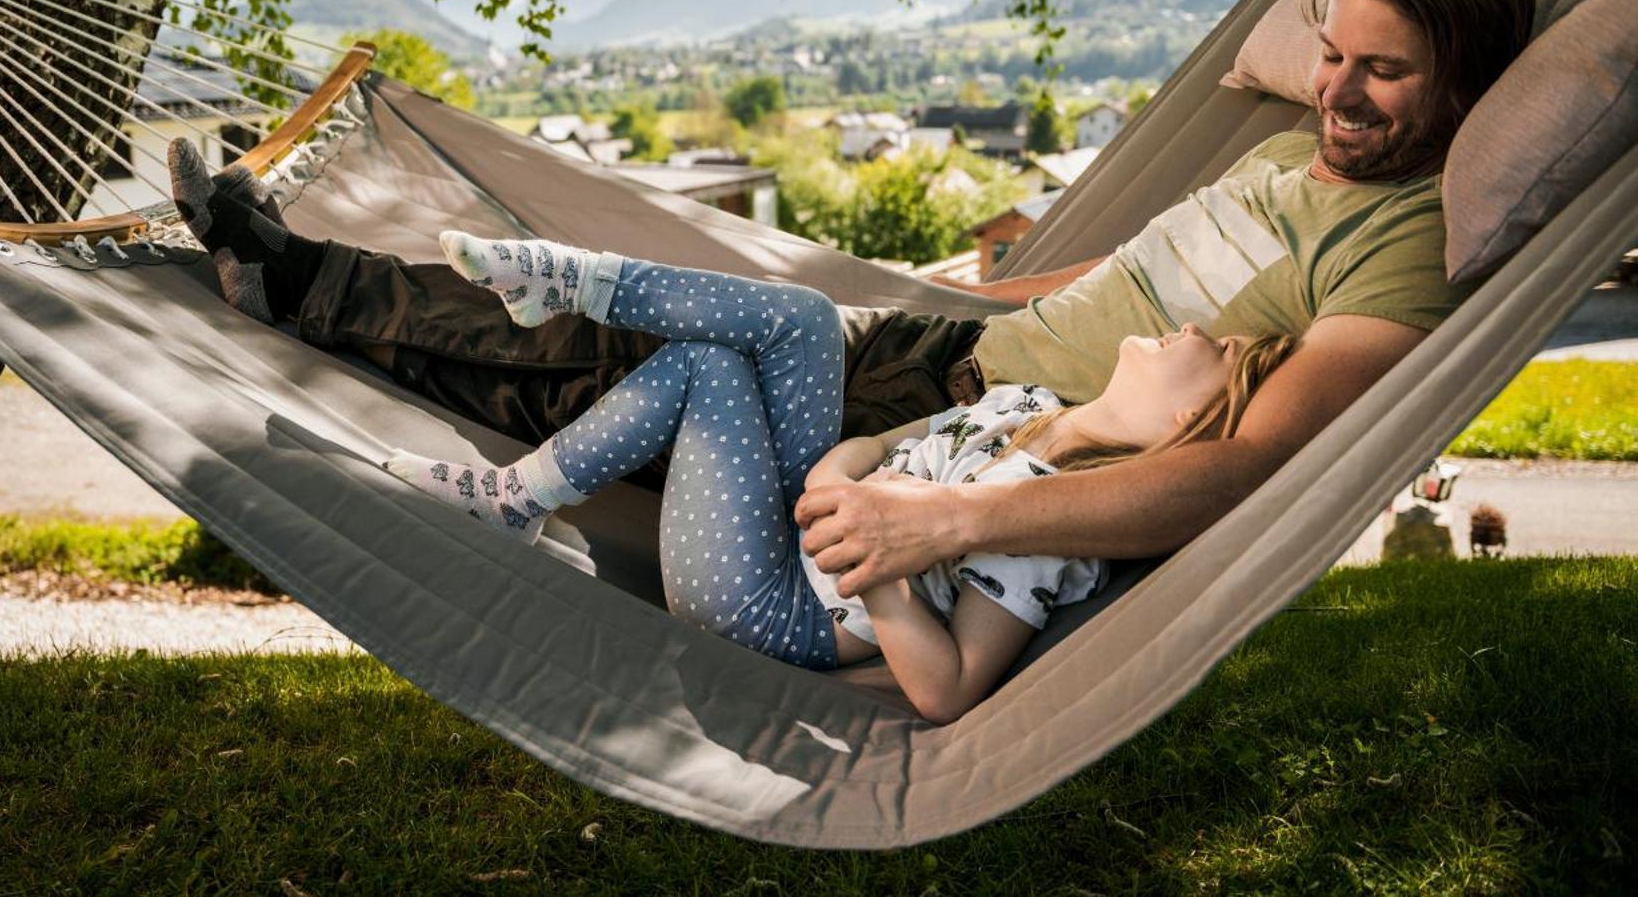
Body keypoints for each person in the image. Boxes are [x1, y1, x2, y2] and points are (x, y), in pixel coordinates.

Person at [166, 0, 1538, 596]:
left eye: (1386, 75)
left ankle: (295, 282)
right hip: (940, 347)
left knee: (609, 363)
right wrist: (954, 291)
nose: (1340, 94)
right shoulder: (1286, 150)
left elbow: (1233, 473)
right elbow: (1133, 276)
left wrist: (956, 517)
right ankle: (315, 277)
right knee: (650, 342)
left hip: (969, 433)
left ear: (1466, 82)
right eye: (1335, 56)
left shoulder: (1402, 252)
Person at [382, 230, 1294, 722]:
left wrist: (884, 564)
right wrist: (843, 483)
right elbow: (880, 445)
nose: (1189, 328)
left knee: (705, 369)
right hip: (802, 518)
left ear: (1189, 421)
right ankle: (575, 283)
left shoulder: (1057, 530)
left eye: (1211, 348)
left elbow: (946, 688)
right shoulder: (1026, 402)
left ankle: (515, 498)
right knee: (809, 320)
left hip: (777, 609)